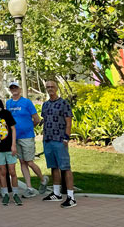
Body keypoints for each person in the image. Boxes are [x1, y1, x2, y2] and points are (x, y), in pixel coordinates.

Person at [6, 81, 48, 197]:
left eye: (15, 87)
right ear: (10, 90)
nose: (14, 89)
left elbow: (37, 119)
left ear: (19, 89)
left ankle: (43, 179)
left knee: (29, 161)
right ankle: (29, 188)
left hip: (27, 137)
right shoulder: (8, 103)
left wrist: (29, 128)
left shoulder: (27, 102)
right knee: (22, 162)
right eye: (12, 88)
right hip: (15, 138)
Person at [41, 80, 76, 208]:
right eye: (48, 87)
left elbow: (69, 122)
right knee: (53, 166)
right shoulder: (45, 105)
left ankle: (71, 197)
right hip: (48, 140)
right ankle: (56, 193)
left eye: (52, 86)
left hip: (60, 140)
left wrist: (66, 138)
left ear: (56, 88)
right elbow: (45, 120)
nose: (50, 88)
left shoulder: (64, 103)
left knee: (65, 167)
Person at [0, 92, 22, 206]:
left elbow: (13, 129)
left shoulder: (6, 113)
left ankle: (15, 194)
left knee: (12, 171)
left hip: (9, 147)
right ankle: (5, 194)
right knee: (2, 172)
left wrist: (13, 145)